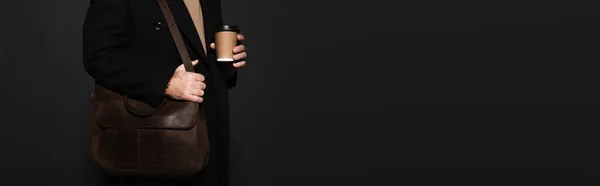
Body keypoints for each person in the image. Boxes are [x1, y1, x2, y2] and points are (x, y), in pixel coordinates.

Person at [82, 0, 247, 185]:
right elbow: (98, 54)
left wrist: (226, 66)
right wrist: (165, 81)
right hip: (160, 145)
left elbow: (201, 53)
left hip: (210, 135)